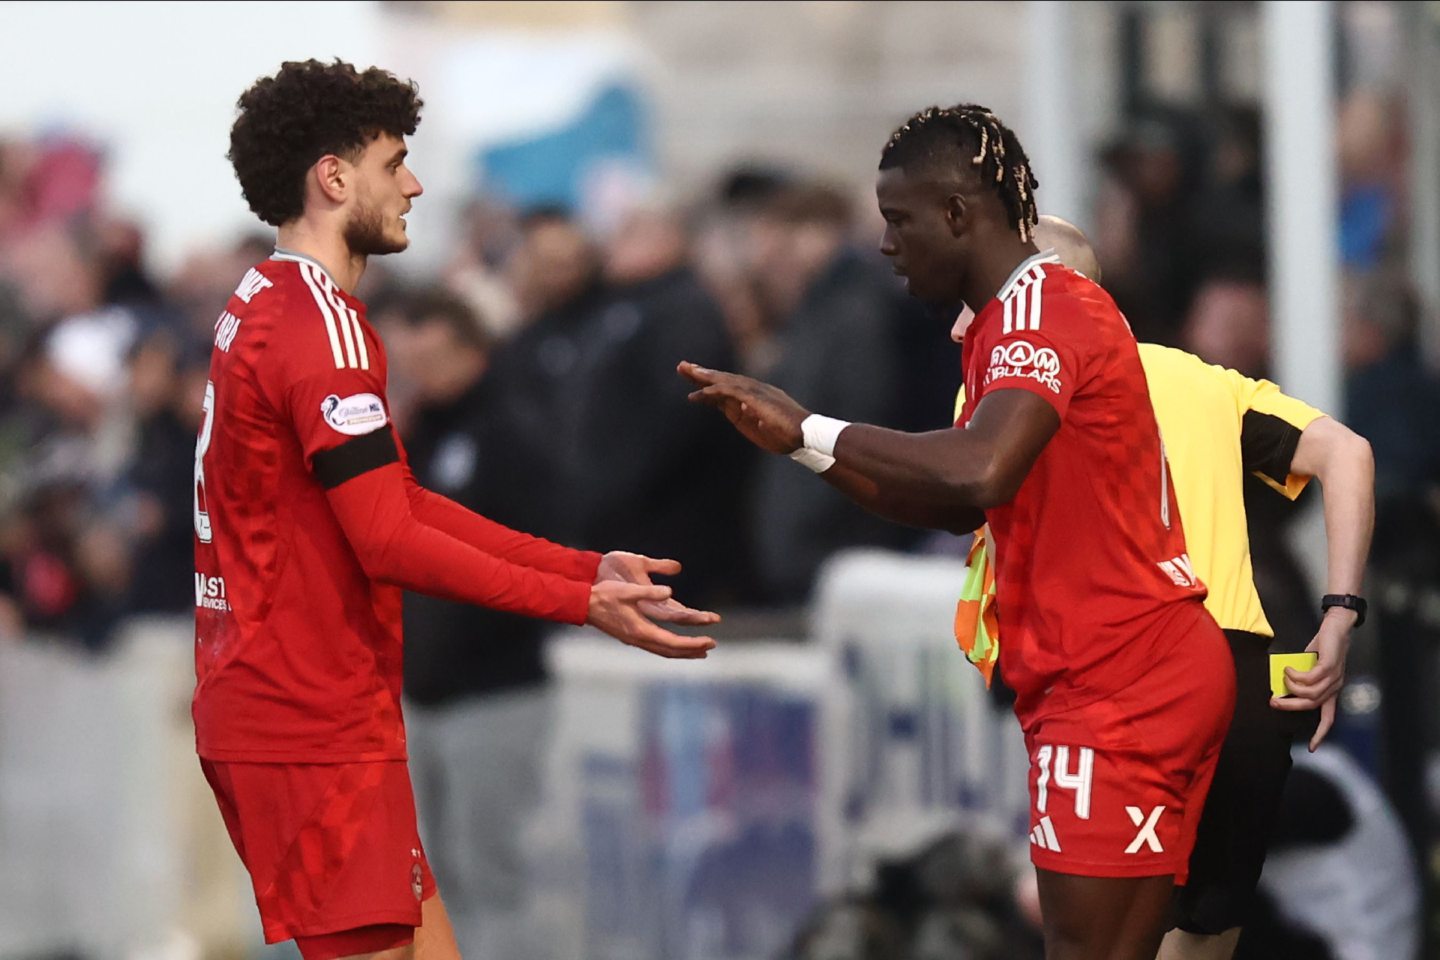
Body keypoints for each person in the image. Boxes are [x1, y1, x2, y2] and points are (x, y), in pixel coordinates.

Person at [682, 103, 1235, 960]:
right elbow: (960, 505)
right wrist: (807, 453)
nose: (887, 245)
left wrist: (812, 426)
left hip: (1116, 680)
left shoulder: (1039, 312)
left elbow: (979, 468)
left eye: (898, 221)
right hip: (1135, 666)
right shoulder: (1008, 322)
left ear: (956, 213)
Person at [193, 59, 717, 960]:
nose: (414, 183)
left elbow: (398, 503)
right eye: (394, 162)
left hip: (311, 710)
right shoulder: (319, 325)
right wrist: (576, 605)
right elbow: (390, 539)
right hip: (309, 721)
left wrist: (583, 568)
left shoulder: (268, 302)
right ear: (334, 178)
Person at [1001, 217, 1375, 960]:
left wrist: (811, 438)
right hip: (1238, 686)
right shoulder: (1201, 383)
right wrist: (1339, 616)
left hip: (1124, 689)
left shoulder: (1007, 396)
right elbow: (1348, 452)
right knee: (1203, 940)